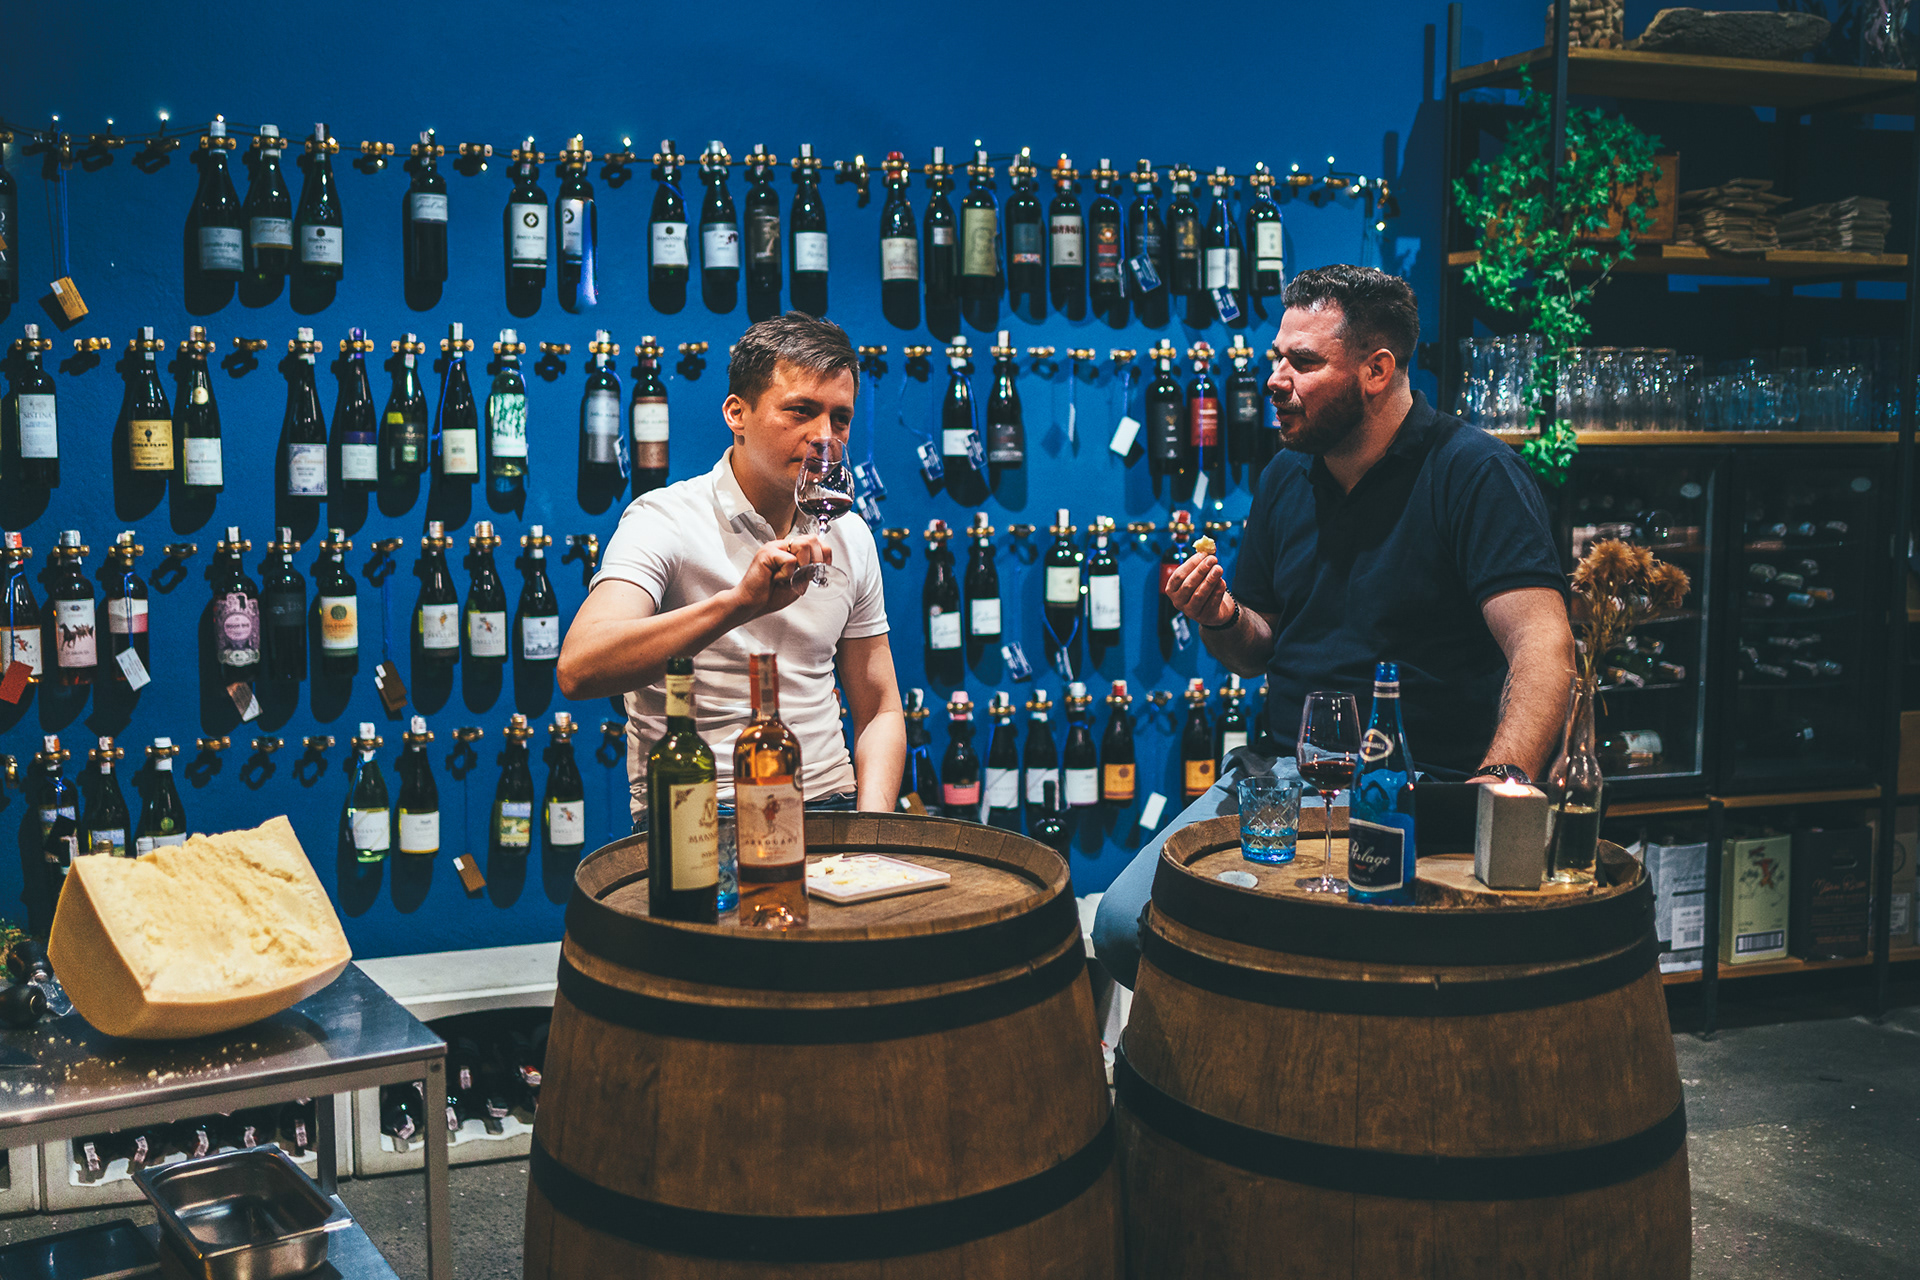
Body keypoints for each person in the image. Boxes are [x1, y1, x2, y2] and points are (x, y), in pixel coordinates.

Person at [1092, 265, 1575, 987]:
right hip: (1285, 776)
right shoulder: (1286, 476)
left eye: (1303, 362)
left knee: (1338, 968)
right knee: (1124, 924)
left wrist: (1496, 788)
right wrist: (1222, 617)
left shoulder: (1474, 473)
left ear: (1377, 371)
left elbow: (1543, 643)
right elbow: (1255, 649)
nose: (1274, 380)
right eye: (1276, 358)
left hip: (1418, 785)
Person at [558, 312, 905, 828]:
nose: (824, 437)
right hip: (698, 812)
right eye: (801, 411)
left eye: (840, 419)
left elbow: (879, 708)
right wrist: (739, 604)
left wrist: (874, 830)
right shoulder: (665, 519)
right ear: (736, 413)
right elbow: (580, 668)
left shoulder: (849, 534)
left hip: (829, 805)